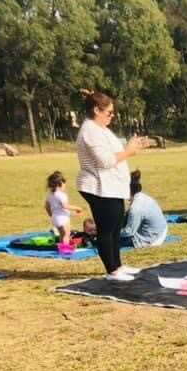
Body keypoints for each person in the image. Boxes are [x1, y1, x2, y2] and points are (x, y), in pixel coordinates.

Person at [75, 89, 147, 281]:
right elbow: (105, 161)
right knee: (106, 229)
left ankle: (118, 265)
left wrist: (131, 146)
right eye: (109, 113)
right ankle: (111, 270)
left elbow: (114, 153)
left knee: (115, 226)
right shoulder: (90, 130)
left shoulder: (100, 129)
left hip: (112, 187)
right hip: (98, 187)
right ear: (97, 110)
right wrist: (129, 151)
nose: (112, 116)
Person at [121, 170, 168, 248]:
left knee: (108, 241)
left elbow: (129, 232)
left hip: (153, 239)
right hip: (162, 229)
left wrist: (111, 233)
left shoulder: (136, 208)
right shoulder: (142, 196)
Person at [44, 171, 83, 254]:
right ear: (60, 183)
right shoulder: (61, 195)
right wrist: (77, 208)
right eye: (64, 184)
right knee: (66, 234)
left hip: (55, 218)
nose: (65, 186)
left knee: (62, 234)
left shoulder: (50, 194)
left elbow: (47, 206)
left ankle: (62, 248)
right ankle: (65, 250)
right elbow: (65, 206)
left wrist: (52, 215)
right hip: (62, 218)